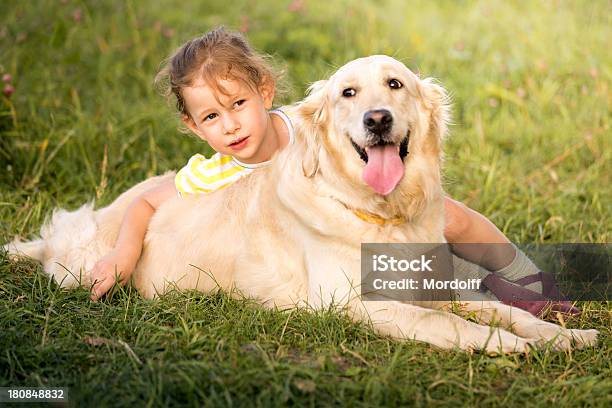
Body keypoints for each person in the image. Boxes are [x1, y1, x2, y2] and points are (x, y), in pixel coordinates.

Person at [89, 27, 574, 316]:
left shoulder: (307, 125)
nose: (231, 125)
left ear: (265, 92)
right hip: (333, 239)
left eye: (237, 104)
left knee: (455, 218)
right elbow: (150, 199)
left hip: (374, 203)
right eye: (212, 118)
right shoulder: (214, 174)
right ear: (193, 127)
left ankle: (528, 278)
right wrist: (123, 252)